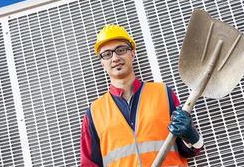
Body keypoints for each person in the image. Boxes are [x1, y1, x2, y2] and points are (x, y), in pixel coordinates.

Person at [80, 24, 204, 166]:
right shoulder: (94, 114)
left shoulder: (163, 94)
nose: (114, 58)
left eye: (120, 50)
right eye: (107, 54)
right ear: (102, 62)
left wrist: (190, 135)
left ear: (132, 53)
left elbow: (192, 150)